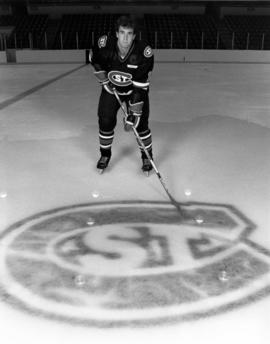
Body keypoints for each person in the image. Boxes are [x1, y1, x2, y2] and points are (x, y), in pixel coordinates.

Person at [89, 15, 154, 174]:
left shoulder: (143, 52)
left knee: (140, 125)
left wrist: (135, 113)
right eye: (122, 33)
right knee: (105, 121)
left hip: (134, 91)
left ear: (134, 35)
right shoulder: (104, 45)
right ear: (116, 34)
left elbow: (140, 85)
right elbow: (94, 59)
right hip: (112, 89)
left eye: (129, 33)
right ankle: (105, 155)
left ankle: (147, 156)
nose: (125, 37)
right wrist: (104, 81)